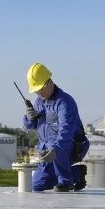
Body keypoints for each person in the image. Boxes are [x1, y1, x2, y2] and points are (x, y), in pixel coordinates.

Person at [22, 62, 90, 192]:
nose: (38, 93)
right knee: (36, 185)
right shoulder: (39, 101)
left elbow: (66, 133)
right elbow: (31, 126)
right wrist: (29, 117)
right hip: (47, 150)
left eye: (40, 89)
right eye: (36, 91)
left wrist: (55, 150)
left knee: (54, 144)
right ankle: (77, 173)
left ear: (49, 82)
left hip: (69, 147)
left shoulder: (64, 102)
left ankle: (65, 181)